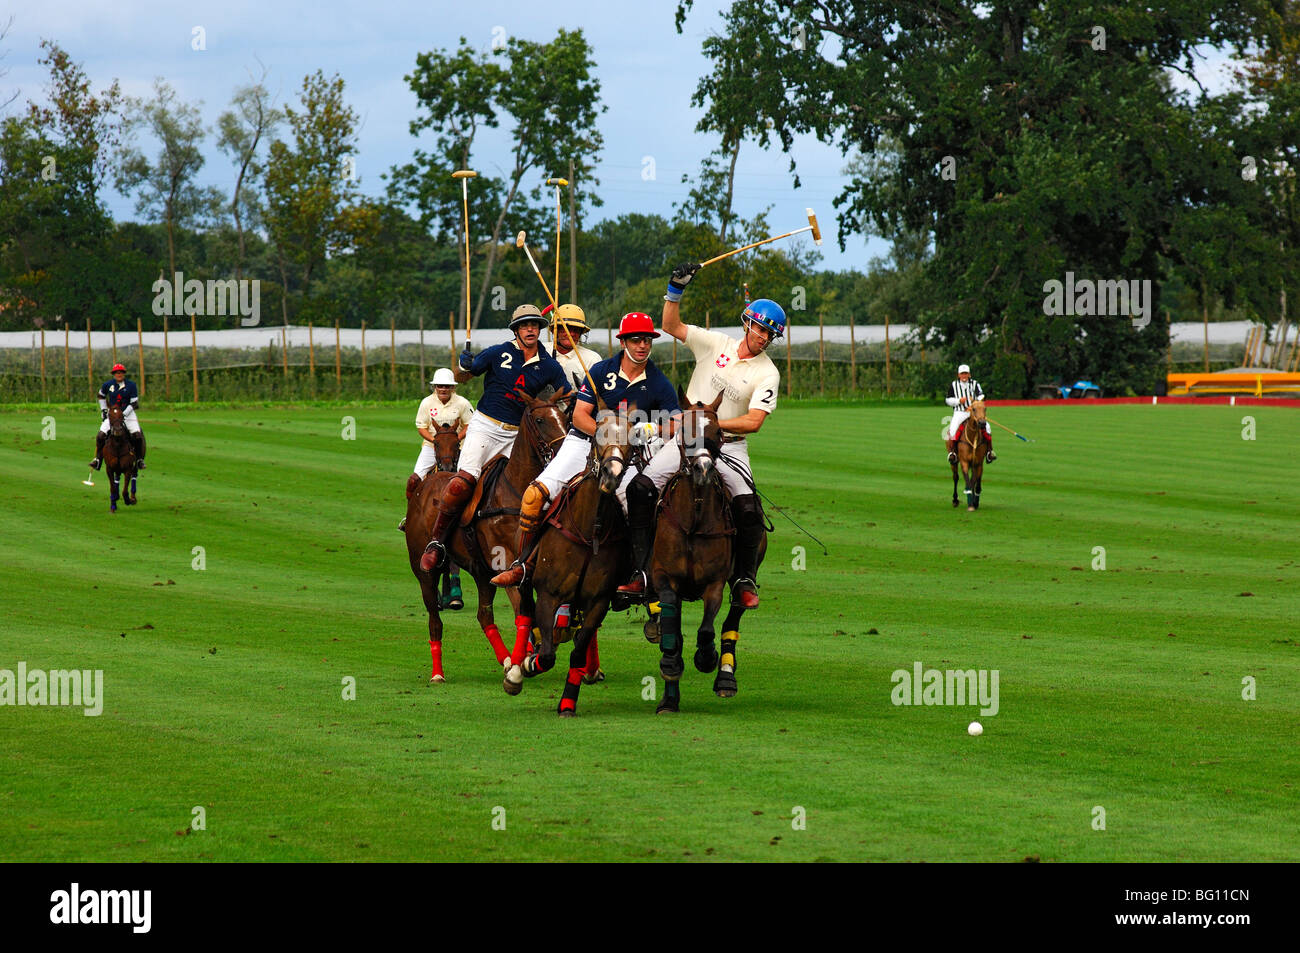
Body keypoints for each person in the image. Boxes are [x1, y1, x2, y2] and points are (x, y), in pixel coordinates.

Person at [614, 263, 781, 611]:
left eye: (770, 334)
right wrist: (675, 288)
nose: (763, 337)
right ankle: (642, 571)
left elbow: (754, 422)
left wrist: (711, 424)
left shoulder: (768, 372)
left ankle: (744, 579)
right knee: (639, 490)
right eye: (760, 328)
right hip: (684, 442)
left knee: (749, 508)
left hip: (729, 448)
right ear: (747, 323)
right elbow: (670, 325)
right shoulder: (715, 342)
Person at [490, 312, 680, 588]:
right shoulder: (601, 370)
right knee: (534, 495)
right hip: (583, 442)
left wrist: (652, 429)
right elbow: (580, 416)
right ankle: (524, 563)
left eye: (647, 340)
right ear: (624, 342)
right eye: (636, 340)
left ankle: (640, 573)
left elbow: (675, 424)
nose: (642, 346)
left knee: (639, 506)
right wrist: (609, 436)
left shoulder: (658, 381)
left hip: (626, 455)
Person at [419, 304, 571, 574]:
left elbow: (566, 393)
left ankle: (536, 550)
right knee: (462, 482)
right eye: (524, 325)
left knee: (537, 489)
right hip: (485, 427)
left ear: (540, 330)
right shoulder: (499, 352)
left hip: (518, 434)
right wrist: (463, 365)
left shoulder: (549, 364)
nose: (530, 329)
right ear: (516, 329)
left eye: (535, 325)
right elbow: (464, 376)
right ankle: (437, 542)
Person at [398, 368, 473, 532]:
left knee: (471, 477)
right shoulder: (427, 403)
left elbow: (469, 424)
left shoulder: (462, 403)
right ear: (435, 387)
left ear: (453, 388)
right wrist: (436, 441)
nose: (443, 389)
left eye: (447, 386)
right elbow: (421, 427)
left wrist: (455, 439)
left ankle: (473, 513)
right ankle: (410, 515)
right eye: (440, 386)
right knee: (414, 479)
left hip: (458, 447)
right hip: (432, 447)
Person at [90, 363, 146, 470]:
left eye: (121, 372)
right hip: (113, 416)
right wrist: (103, 410)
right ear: (114, 374)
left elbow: (135, 403)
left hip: (128, 414)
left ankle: (139, 460)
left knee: (137, 435)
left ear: (124, 374)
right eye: (116, 373)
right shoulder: (108, 385)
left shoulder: (131, 385)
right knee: (100, 435)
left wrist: (124, 414)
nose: (119, 374)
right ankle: (97, 460)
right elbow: (101, 395)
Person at [944, 363, 995, 464]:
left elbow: (981, 395)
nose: (964, 376)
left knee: (987, 427)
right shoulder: (954, 385)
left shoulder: (975, 384)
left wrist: (975, 402)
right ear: (958, 375)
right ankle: (952, 453)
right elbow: (948, 400)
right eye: (962, 374)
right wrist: (958, 401)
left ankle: (989, 452)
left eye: (966, 373)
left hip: (974, 412)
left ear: (969, 374)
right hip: (960, 412)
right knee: (953, 430)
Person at [548, 303, 603, 391]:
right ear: (555, 330)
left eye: (576, 330)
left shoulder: (592, 359)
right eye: (566, 329)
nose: (572, 334)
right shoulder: (541, 351)